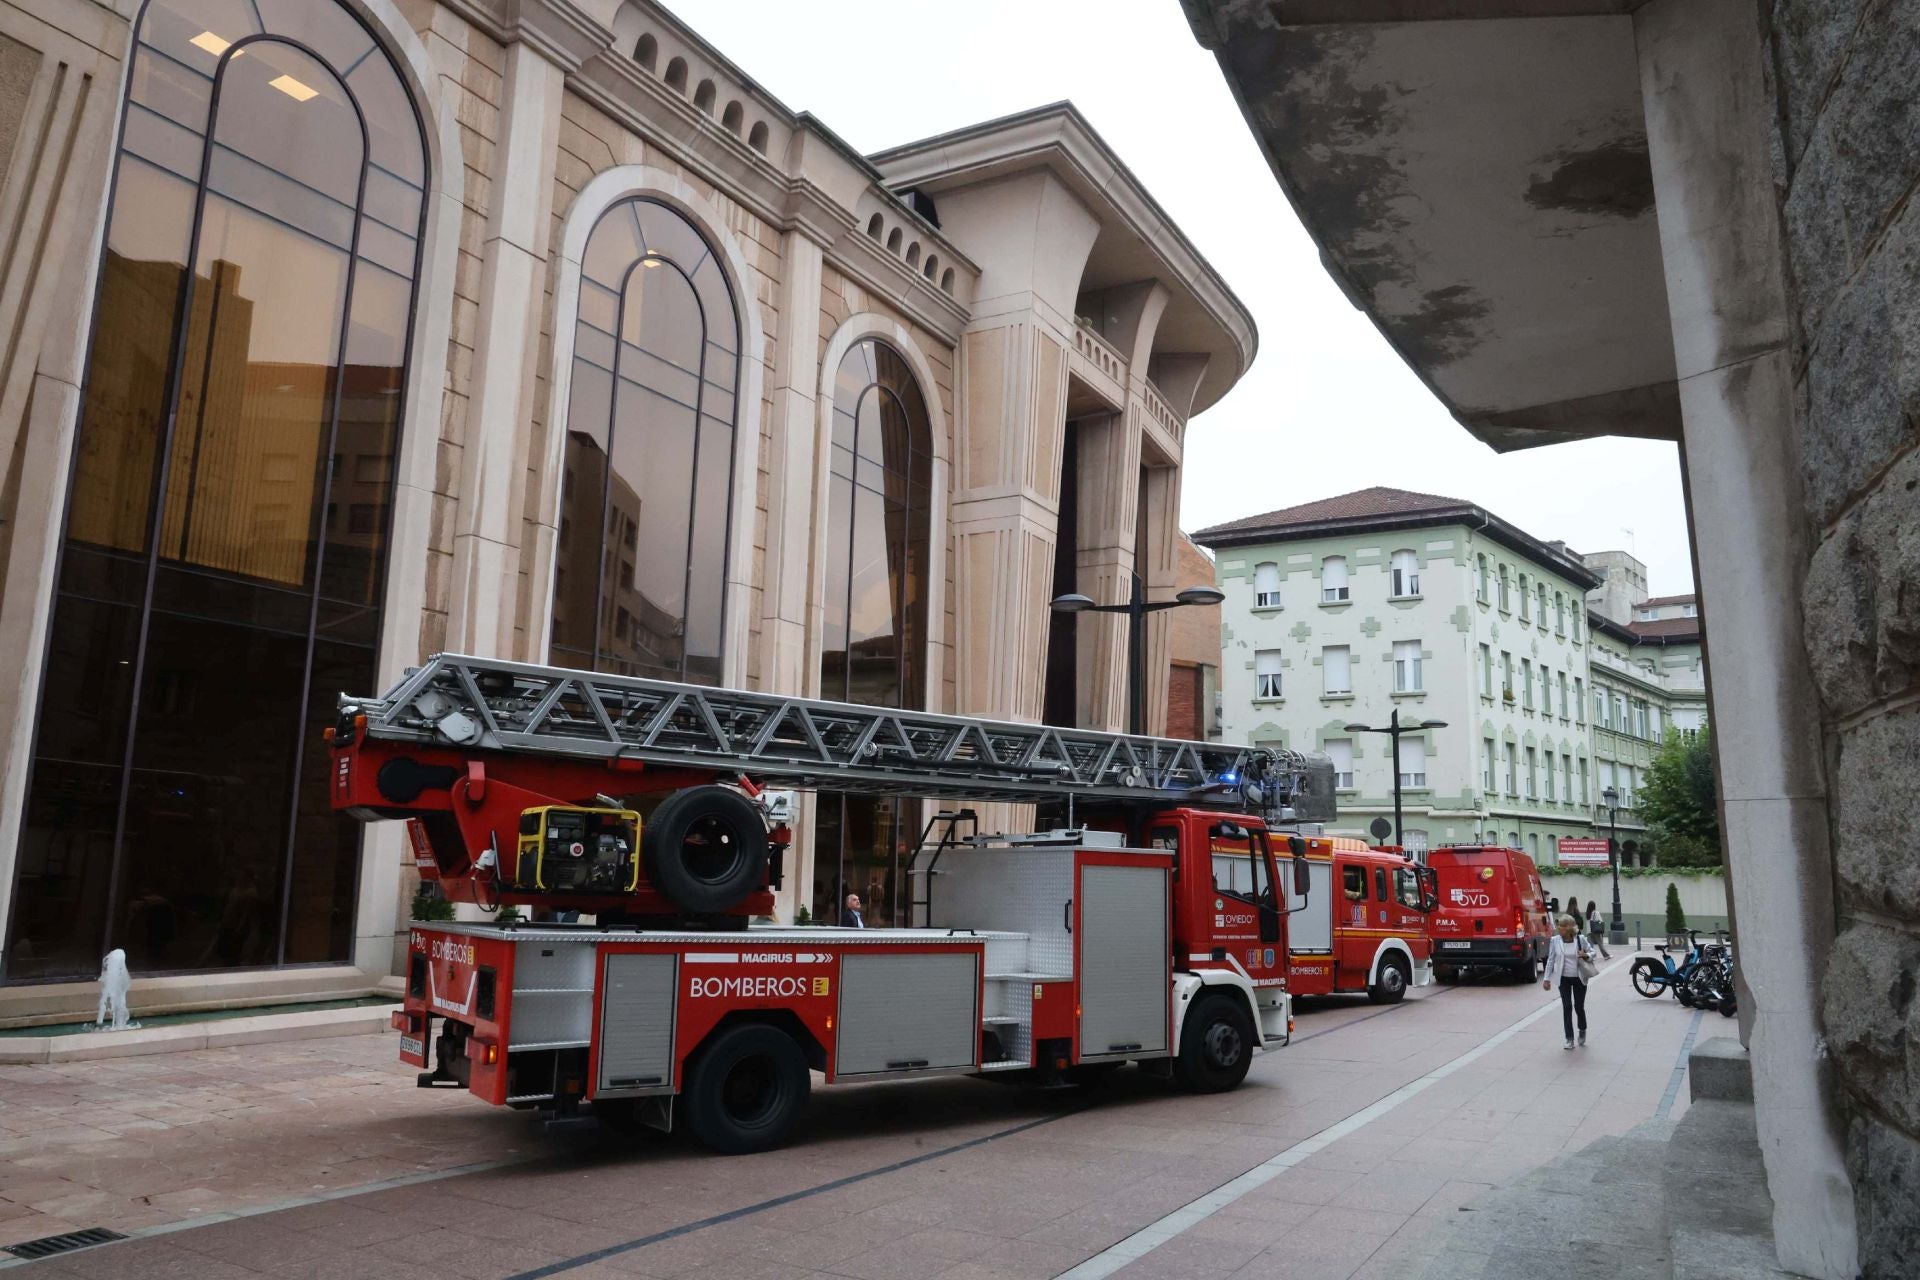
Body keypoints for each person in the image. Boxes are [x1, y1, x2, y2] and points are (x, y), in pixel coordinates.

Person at [1543, 913, 1596, 1049]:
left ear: (1568, 928)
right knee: (1567, 1007)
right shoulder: (1555, 940)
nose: (1558, 928)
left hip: (1579, 978)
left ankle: (1582, 1029)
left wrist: (1586, 955)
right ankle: (1569, 1038)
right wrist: (1546, 979)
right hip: (1563, 978)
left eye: (1561, 926)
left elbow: (1593, 952)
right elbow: (1551, 959)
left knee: (1579, 1006)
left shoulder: (1580, 939)